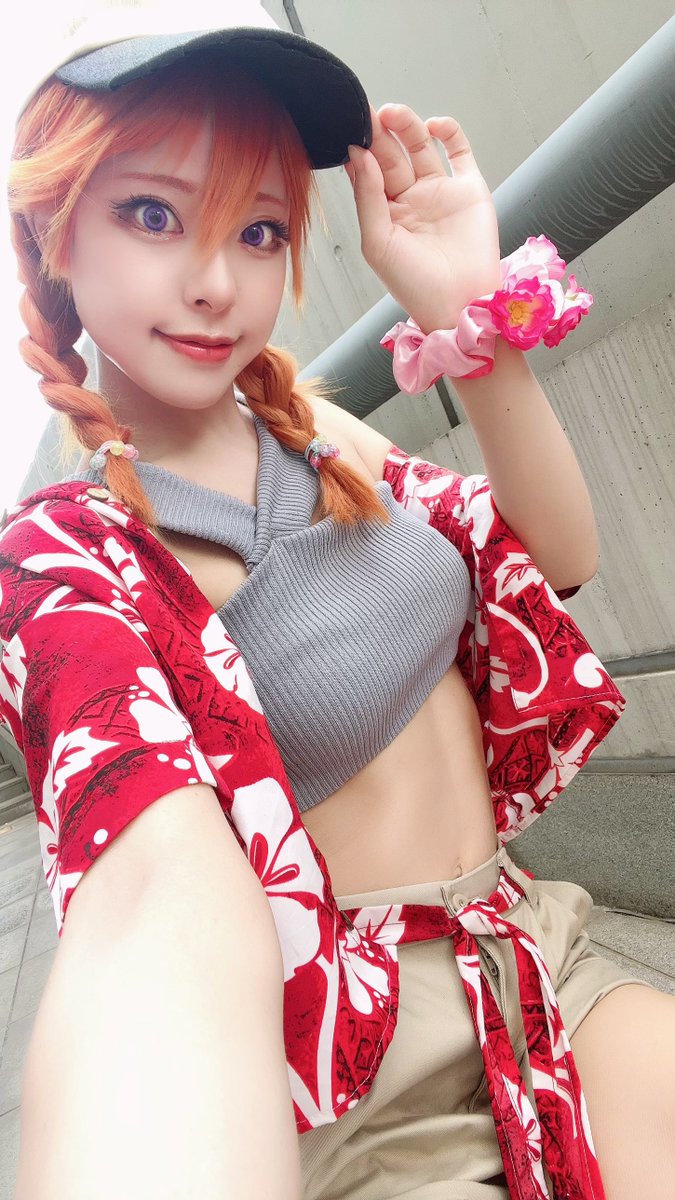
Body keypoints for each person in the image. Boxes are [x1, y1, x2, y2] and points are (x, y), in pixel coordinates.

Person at [2, 4, 674, 1199]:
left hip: (532, 952)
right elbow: (143, 882)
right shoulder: (63, 557)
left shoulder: (317, 432)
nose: (216, 283)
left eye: (259, 230)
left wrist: (464, 311)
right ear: (52, 233)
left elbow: (556, 556)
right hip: (359, 1073)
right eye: (153, 215)